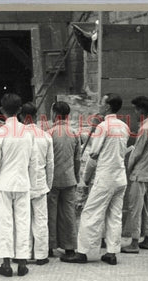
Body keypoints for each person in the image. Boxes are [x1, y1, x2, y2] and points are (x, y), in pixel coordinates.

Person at [60, 93, 129, 265]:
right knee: (115, 215)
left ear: (107, 107)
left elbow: (94, 153)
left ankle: (82, 252)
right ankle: (111, 253)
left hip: (105, 177)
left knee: (90, 213)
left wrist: (84, 178)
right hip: (120, 176)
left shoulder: (104, 127)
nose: (99, 105)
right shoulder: (124, 126)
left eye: (101, 103)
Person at [0, 93, 37, 277]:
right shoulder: (27, 133)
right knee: (23, 223)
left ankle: (6, 264)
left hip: (5, 183)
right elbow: (33, 162)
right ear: (20, 110)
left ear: (2, 110)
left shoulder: (0, 133)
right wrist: (31, 185)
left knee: (4, 223)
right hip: (23, 183)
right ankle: (22, 263)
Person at [121, 96, 148, 253]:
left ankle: (134, 242)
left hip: (140, 174)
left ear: (142, 110)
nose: (134, 112)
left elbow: (136, 153)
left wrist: (129, 169)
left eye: (136, 109)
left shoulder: (144, 129)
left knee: (135, 208)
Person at [20, 102, 54, 264]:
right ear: (35, 116)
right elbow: (50, 164)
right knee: (41, 220)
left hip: (22, 184)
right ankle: (41, 255)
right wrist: (48, 184)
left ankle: (24, 254)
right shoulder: (45, 136)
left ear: (21, 116)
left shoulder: (18, 135)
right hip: (40, 183)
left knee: (23, 220)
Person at [47, 101, 80, 258]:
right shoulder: (73, 133)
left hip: (52, 180)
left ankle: (50, 246)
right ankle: (70, 247)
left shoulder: (50, 133)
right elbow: (77, 159)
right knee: (68, 214)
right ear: (68, 115)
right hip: (69, 179)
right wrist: (77, 177)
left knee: (50, 214)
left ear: (54, 114)